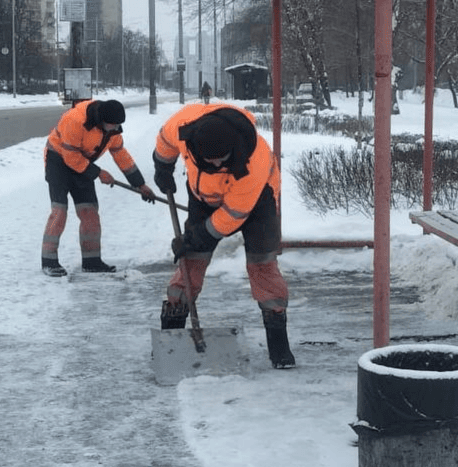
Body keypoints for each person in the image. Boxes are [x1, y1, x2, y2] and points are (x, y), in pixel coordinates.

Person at [152, 102, 295, 368]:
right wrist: (163, 167)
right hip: (203, 197)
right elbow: (165, 140)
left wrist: (198, 236)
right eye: (211, 160)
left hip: (258, 203)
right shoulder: (184, 127)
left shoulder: (254, 161)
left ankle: (279, 346)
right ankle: (171, 335)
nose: (217, 163)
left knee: (262, 265)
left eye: (222, 158)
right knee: (191, 260)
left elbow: (232, 216)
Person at [42, 98, 157, 276]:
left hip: (83, 163)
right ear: (101, 120)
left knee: (89, 212)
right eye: (113, 125)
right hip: (58, 161)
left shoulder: (113, 130)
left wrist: (140, 184)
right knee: (60, 211)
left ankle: (91, 261)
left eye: (118, 125)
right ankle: (49, 261)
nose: (116, 128)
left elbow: (121, 155)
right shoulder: (74, 120)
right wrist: (98, 173)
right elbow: (70, 156)